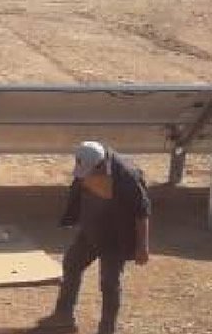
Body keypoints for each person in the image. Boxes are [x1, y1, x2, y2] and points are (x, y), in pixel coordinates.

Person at [37, 141, 151, 334]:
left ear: (100, 164)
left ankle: (107, 329)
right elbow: (79, 193)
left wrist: (142, 246)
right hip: (91, 229)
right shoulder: (86, 167)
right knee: (72, 263)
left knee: (109, 282)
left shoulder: (126, 176)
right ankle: (64, 315)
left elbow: (142, 212)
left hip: (116, 236)